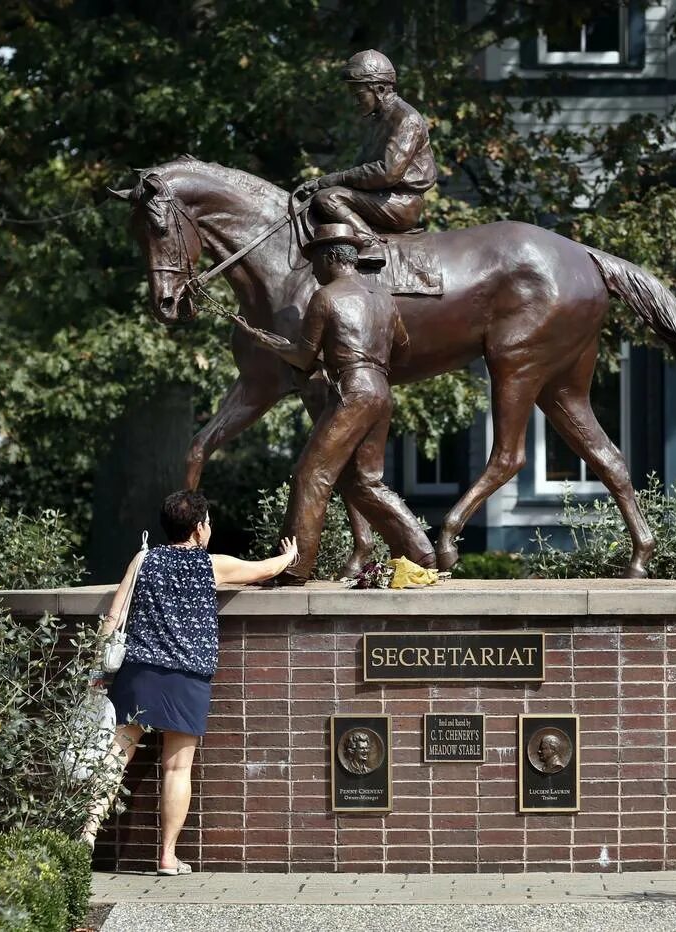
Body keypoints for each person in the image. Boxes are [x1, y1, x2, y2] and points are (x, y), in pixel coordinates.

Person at [86, 490, 298, 872]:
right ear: (199, 529)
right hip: (188, 677)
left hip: (139, 671)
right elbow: (264, 569)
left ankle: (84, 838)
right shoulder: (211, 566)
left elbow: (114, 615)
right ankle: (167, 855)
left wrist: (97, 668)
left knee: (114, 757)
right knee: (177, 768)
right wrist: (289, 555)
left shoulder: (144, 558)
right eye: (209, 523)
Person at [234, 223, 435, 584]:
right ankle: (420, 551)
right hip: (380, 391)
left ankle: (294, 569)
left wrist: (262, 339)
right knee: (365, 481)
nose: (312, 270)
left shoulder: (324, 298)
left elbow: (303, 357)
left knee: (311, 474)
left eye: (314, 262)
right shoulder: (384, 299)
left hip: (352, 391)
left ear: (330, 258)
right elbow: (403, 350)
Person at [296, 49, 437, 268]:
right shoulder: (377, 120)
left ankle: (369, 243)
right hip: (380, 197)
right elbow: (360, 169)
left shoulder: (406, 118)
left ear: (379, 89)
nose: (355, 102)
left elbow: (388, 172)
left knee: (328, 199)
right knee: (317, 199)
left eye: (359, 95)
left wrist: (334, 180)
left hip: (400, 202)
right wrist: (320, 182)